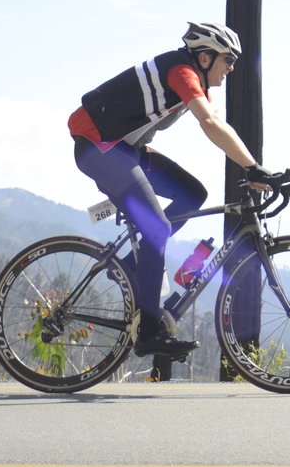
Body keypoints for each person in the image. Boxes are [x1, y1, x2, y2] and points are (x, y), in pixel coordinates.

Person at [69, 21, 274, 361]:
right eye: (228, 59)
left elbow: (218, 124)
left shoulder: (194, 81)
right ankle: (149, 332)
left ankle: (132, 267)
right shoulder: (182, 72)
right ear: (205, 57)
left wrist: (253, 168)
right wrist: (252, 167)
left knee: (193, 193)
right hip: (98, 147)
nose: (232, 68)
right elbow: (210, 124)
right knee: (158, 230)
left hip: (123, 149)